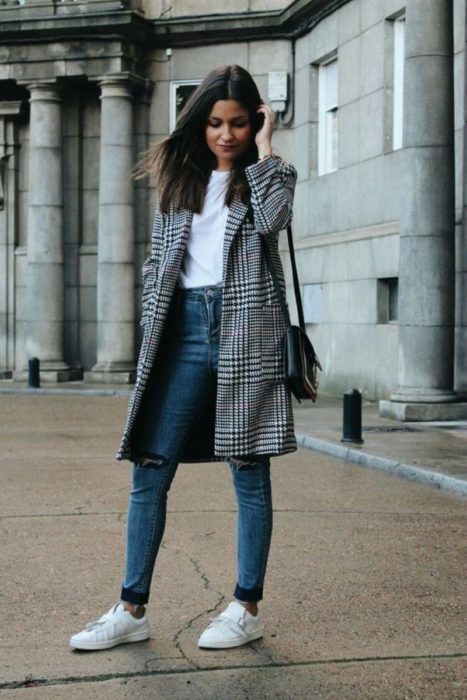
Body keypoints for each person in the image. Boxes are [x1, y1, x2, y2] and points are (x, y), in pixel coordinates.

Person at [69, 64, 297, 652]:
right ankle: (130, 607)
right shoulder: (179, 183)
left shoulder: (271, 177)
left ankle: (246, 607)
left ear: (255, 124)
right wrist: (152, 321)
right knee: (150, 466)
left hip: (247, 329)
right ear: (200, 124)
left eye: (240, 124)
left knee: (249, 467)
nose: (227, 135)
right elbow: (158, 264)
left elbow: (272, 225)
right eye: (216, 124)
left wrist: (267, 151)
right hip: (184, 329)